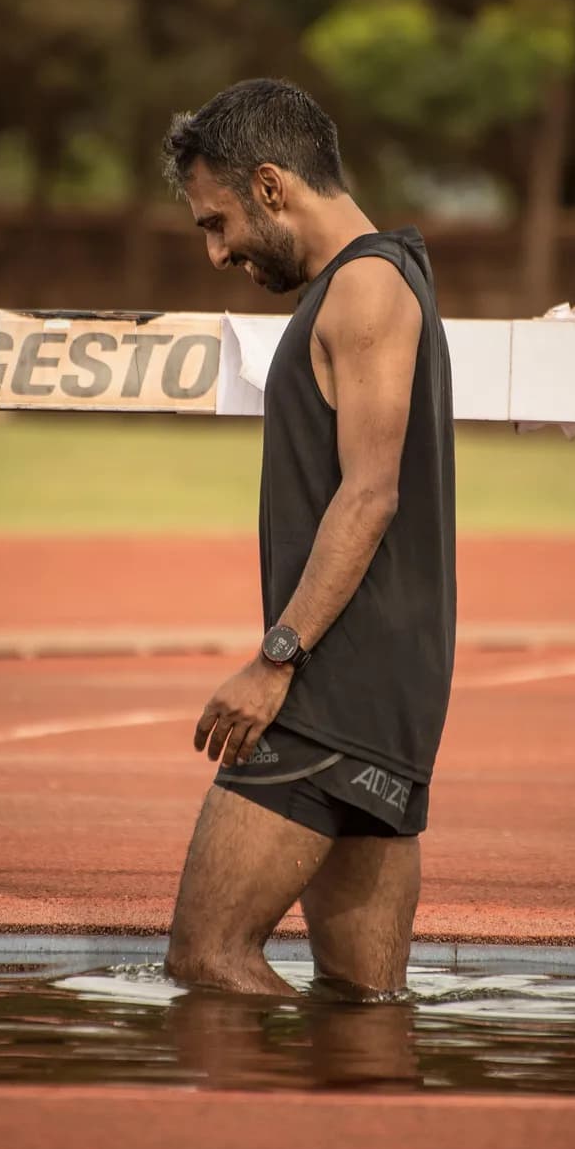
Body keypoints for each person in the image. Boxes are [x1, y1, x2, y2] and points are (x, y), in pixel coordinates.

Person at [161, 77, 455, 997]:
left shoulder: (363, 289)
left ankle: (254, 1107)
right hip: (382, 702)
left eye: (218, 222)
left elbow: (370, 495)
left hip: (328, 694)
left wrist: (275, 659)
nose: (216, 252)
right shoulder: (385, 276)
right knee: (365, 1006)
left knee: (207, 960)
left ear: (271, 186)